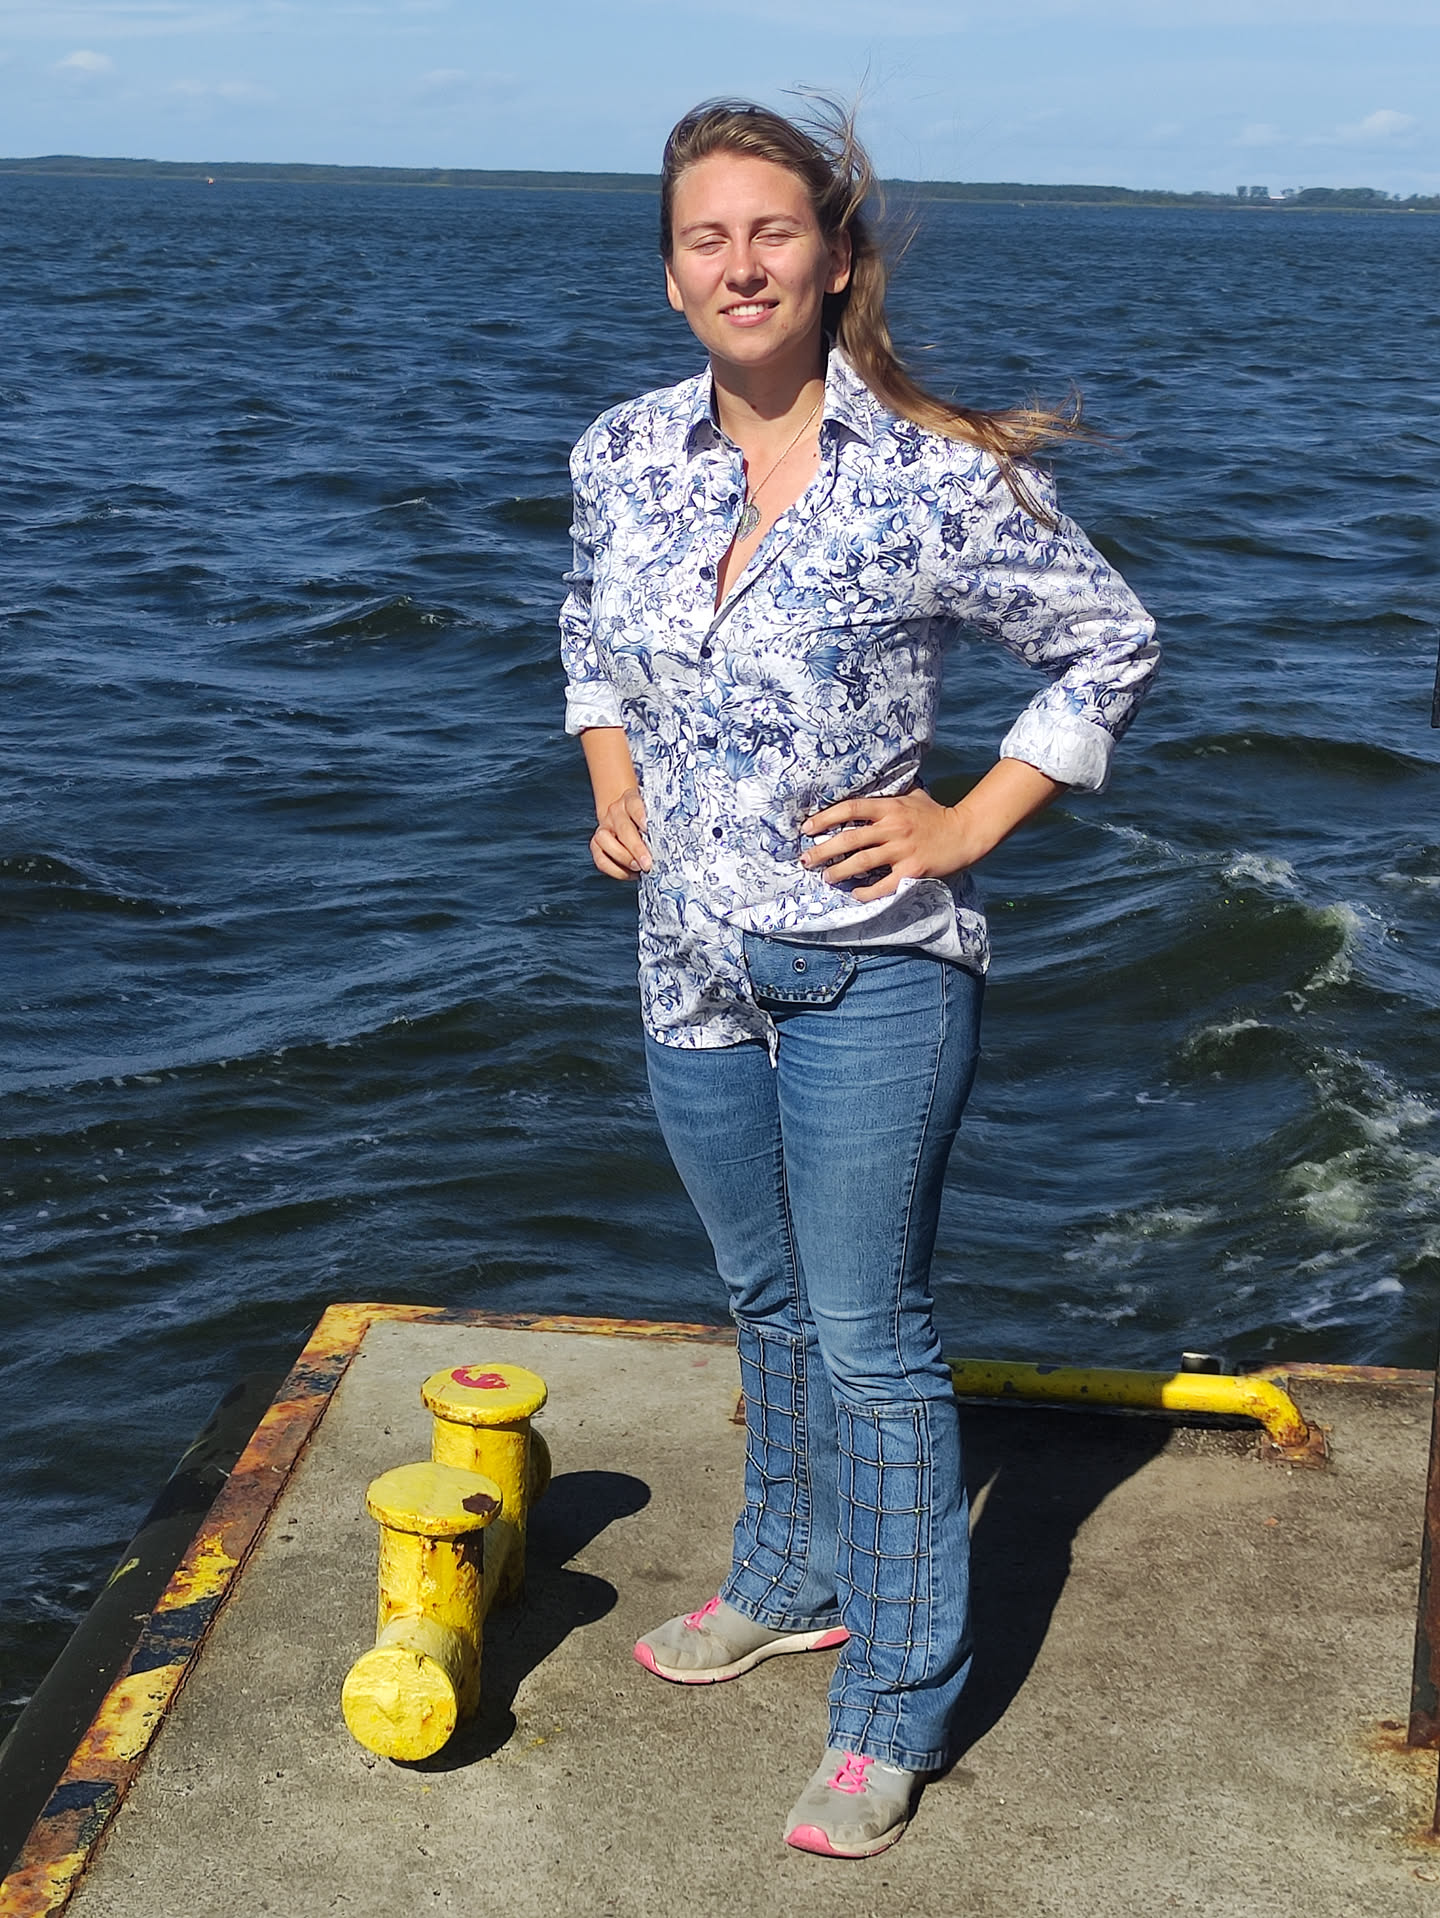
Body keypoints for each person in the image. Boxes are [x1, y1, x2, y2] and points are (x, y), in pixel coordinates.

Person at [559, 98, 1159, 1858]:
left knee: (872, 1338)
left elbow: (1108, 641)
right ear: (671, 276)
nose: (740, 264)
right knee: (764, 1301)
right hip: (686, 960)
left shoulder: (933, 473)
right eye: (706, 238)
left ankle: (894, 1704)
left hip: (872, 973)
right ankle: (788, 1575)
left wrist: (966, 821)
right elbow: (589, 631)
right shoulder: (624, 452)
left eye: (773, 232)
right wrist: (611, 776)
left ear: (833, 262)